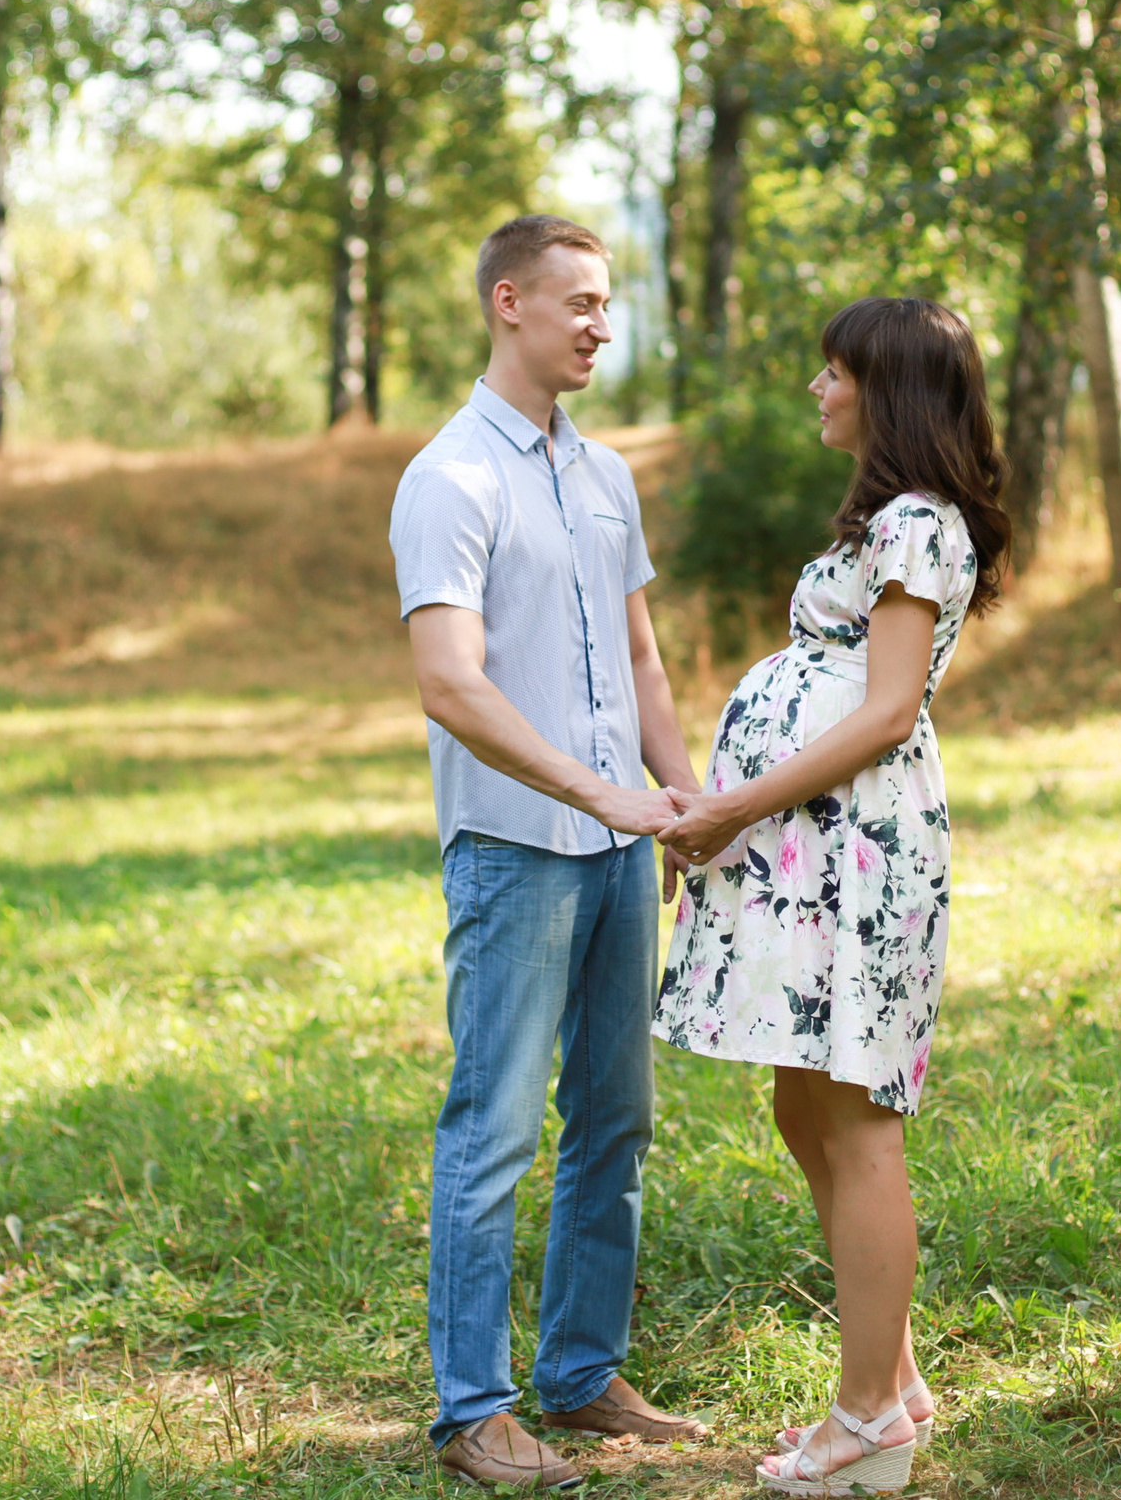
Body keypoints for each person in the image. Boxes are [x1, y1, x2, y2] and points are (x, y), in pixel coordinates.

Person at [651, 297, 1009, 1496]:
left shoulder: (917, 522)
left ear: (887, 389)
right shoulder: (890, 519)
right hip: (808, 850)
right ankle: (893, 1380)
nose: (817, 388)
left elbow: (888, 709)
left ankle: (865, 1423)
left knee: (854, 1119)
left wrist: (734, 809)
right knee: (802, 1108)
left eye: (834, 371)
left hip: (851, 852)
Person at [390, 214, 712, 1490]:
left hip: (621, 850)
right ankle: (474, 1412)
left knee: (616, 1116)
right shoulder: (449, 478)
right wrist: (599, 793)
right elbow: (448, 683)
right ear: (507, 302)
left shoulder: (605, 475)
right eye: (578, 303)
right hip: (515, 847)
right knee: (494, 1130)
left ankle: (580, 1376)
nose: (600, 327)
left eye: (606, 305)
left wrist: (681, 800)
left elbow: (640, 658)